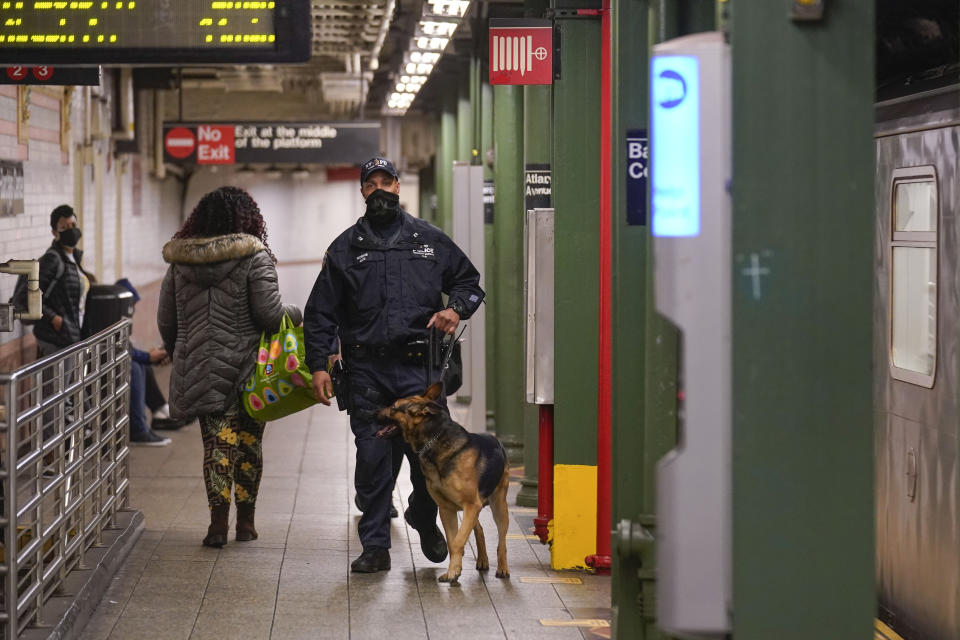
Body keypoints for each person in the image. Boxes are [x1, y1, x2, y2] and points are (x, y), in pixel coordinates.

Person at [304, 156, 485, 573]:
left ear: (398, 188)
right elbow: (320, 314)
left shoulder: (429, 239)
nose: (381, 189)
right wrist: (318, 363)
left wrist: (455, 310)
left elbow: (470, 284)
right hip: (366, 372)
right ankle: (375, 546)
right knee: (371, 457)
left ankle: (422, 514)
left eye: (388, 182)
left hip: (419, 371)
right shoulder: (345, 248)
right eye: (373, 184)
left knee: (429, 456)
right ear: (363, 191)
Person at [158, 187, 302, 548]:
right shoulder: (255, 258)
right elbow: (270, 315)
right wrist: (300, 313)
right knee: (249, 444)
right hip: (249, 369)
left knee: (217, 446)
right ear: (248, 219)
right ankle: (246, 524)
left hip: (202, 369)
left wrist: (182, 353)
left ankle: (217, 526)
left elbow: (166, 322)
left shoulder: (180, 264)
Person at [114, 278, 178, 446]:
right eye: (131, 306)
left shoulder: (117, 318)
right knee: (135, 365)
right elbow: (122, 351)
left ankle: (159, 412)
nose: (133, 311)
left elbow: (126, 349)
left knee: (141, 364)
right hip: (103, 365)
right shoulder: (111, 318)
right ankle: (139, 428)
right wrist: (149, 357)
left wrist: (150, 358)